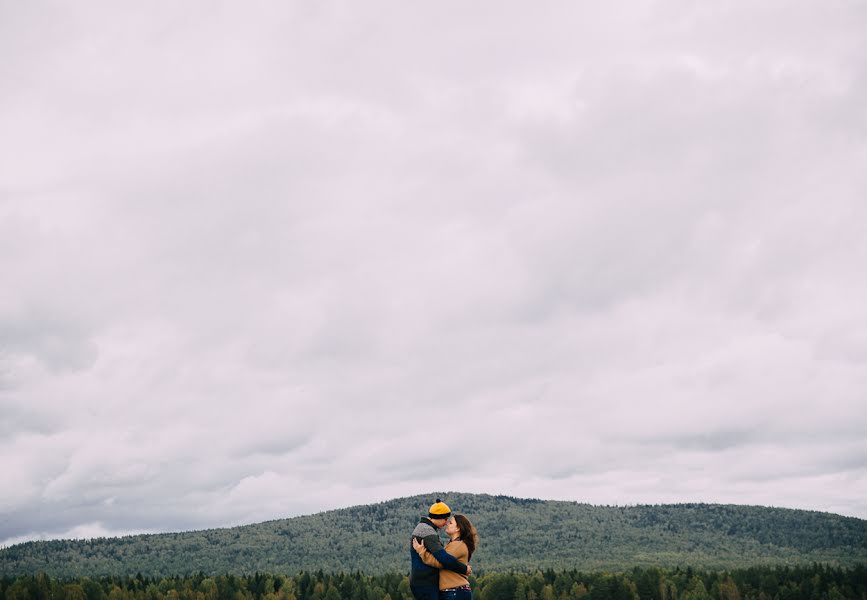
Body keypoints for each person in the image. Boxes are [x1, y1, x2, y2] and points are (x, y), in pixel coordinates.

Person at [410, 499, 472, 600]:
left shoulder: (425, 529)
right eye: (445, 519)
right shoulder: (427, 532)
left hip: (428, 583)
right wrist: (464, 569)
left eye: (449, 521)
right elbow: (444, 559)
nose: (446, 522)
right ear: (438, 518)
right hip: (425, 583)